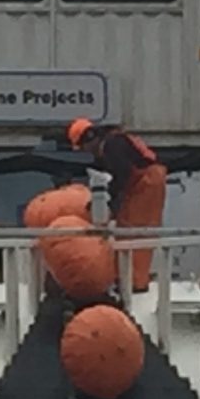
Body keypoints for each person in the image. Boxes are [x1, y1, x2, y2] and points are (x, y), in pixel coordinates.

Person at [67, 117, 169, 292]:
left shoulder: (112, 146)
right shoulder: (115, 140)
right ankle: (129, 277)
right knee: (131, 228)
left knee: (135, 230)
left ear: (89, 139)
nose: (86, 152)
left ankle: (135, 281)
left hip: (146, 183)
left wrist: (112, 201)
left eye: (83, 147)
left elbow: (123, 174)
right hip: (144, 182)